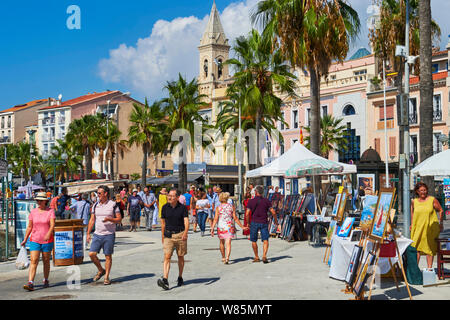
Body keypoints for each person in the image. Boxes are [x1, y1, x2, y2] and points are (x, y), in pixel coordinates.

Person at [86, 185, 122, 285]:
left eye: (99, 193)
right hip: (97, 234)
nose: (98, 195)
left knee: (108, 256)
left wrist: (109, 219)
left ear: (106, 193)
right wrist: (88, 233)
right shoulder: (95, 205)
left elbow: (119, 219)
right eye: (97, 193)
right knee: (91, 254)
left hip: (109, 234)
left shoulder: (113, 205)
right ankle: (101, 270)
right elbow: (92, 220)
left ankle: (106, 277)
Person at [21, 192, 55, 291]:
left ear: (45, 201)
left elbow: (52, 225)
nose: (39, 202)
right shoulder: (33, 212)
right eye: (37, 200)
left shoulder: (50, 211)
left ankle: (46, 279)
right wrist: (25, 239)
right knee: (34, 260)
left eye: (41, 200)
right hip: (35, 239)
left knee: (46, 261)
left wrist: (49, 233)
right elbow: (30, 227)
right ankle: (30, 282)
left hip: (47, 240)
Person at [158, 189, 189, 290]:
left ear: (177, 197)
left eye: (172, 196)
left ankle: (180, 277)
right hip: (168, 235)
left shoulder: (183, 208)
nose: (170, 197)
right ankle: (165, 279)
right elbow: (163, 223)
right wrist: (162, 235)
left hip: (180, 234)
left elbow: (186, 221)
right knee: (167, 257)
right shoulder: (164, 207)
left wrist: (185, 233)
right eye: (169, 196)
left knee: (180, 256)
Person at [411, 182, 444, 269]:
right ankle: (415, 270)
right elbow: (412, 213)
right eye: (421, 190)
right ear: (417, 191)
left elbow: (441, 210)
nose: (423, 192)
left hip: (430, 228)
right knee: (416, 248)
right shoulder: (414, 202)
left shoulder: (432, 199)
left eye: (425, 190)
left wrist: (441, 223)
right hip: (418, 228)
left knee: (429, 248)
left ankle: (429, 269)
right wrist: (411, 224)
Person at [211, 192, 247, 264]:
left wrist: (212, 228)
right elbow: (235, 218)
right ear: (227, 198)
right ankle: (227, 258)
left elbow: (215, 219)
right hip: (229, 226)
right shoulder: (231, 206)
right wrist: (242, 226)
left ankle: (223, 257)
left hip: (221, 226)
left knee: (221, 242)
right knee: (228, 242)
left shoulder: (218, 207)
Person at [245, 185, 278, 264]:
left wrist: (248, 222)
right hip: (264, 222)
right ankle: (264, 256)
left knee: (253, 240)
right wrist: (276, 221)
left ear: (255, 192)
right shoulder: (267, 201)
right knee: (265, 239)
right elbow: (273, 212)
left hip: (254, 222)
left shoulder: (251, 201)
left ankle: (256, 257)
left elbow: (247, 214)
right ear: (262, 192)